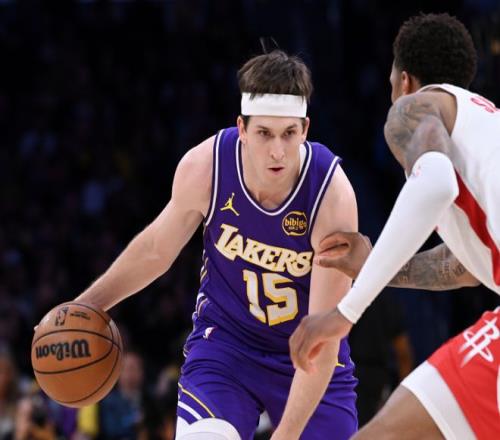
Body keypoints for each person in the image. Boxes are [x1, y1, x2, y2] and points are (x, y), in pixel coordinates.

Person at [69, 50, 359, 439]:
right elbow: (156, 250)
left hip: (308, 354)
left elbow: (323, 335)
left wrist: (286, 434)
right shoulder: (206, 166)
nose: (277, 151)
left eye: (289, 133)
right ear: (242, 128)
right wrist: (86, 306)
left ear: (305, 129)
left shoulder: (331, 196)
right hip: (227, 348)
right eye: (264, 133)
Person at [290, 13, 499, 440]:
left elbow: (435, 181)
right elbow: (465, 265)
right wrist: (375, 267)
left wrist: (346, 312)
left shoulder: (415, 107)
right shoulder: (484, 130)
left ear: (404, 81)